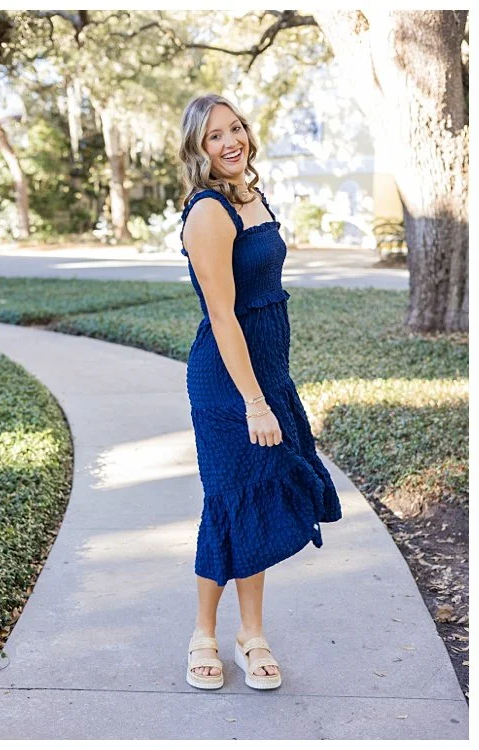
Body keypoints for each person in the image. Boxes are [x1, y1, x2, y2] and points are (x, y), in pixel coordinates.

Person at [176, 93, 342, 690]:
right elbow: (224, 317)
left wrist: (271, 389)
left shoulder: (252, 196)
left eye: (236, 128)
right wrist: (253, 401)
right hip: (228, 384)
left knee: (260, 496)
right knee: (228, 498)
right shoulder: (209, 213)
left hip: (270, 372)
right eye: (214, 136)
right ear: (198, 149)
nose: (230, 142)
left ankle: (252, 635)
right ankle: (203, 634)